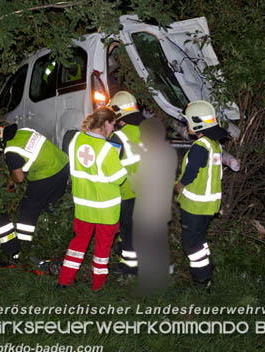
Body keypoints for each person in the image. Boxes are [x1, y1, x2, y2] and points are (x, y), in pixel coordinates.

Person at [57, 107, 127, 291]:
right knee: (102, 250)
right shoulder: (107, 149)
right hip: (106, 210)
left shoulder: (76, 140)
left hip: (83, 206)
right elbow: (119, 177)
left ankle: (64, 280)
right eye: (112, 124)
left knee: (77, 244)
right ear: (104, 124)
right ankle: (98, 285)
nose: (113, 129)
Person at [174, 100, 229, 288]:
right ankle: (207, 264)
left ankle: (202, 278)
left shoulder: (199, 147)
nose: (186, 125)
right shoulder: (214, 145)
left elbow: (191, 174)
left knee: (191, 244)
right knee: (200, 238)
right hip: (209, 206)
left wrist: (179, 185)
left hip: (195, 206)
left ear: (197, 124)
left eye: (188, 121)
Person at [0, 125, 69, 259]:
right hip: (62, 164)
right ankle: (51, 237)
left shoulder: (10, 151)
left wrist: (12, 178)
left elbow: (19, 178)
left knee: (27, 211)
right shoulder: (24, 131)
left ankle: (24, 248)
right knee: (51, 205)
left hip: (46, 175)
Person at [129, 117, 177, 295]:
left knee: (143, 248)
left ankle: (146, 286)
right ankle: (162, 284)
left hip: (145, 212)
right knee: (160, 248)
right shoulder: (169, 153)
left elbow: (137, 184)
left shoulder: (146, 157)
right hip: (162, 211)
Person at [108, 91, 144, 275]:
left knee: (128, 231)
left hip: (128, 193)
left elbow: (109, 166)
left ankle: (129, 266)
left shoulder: (118, 138)